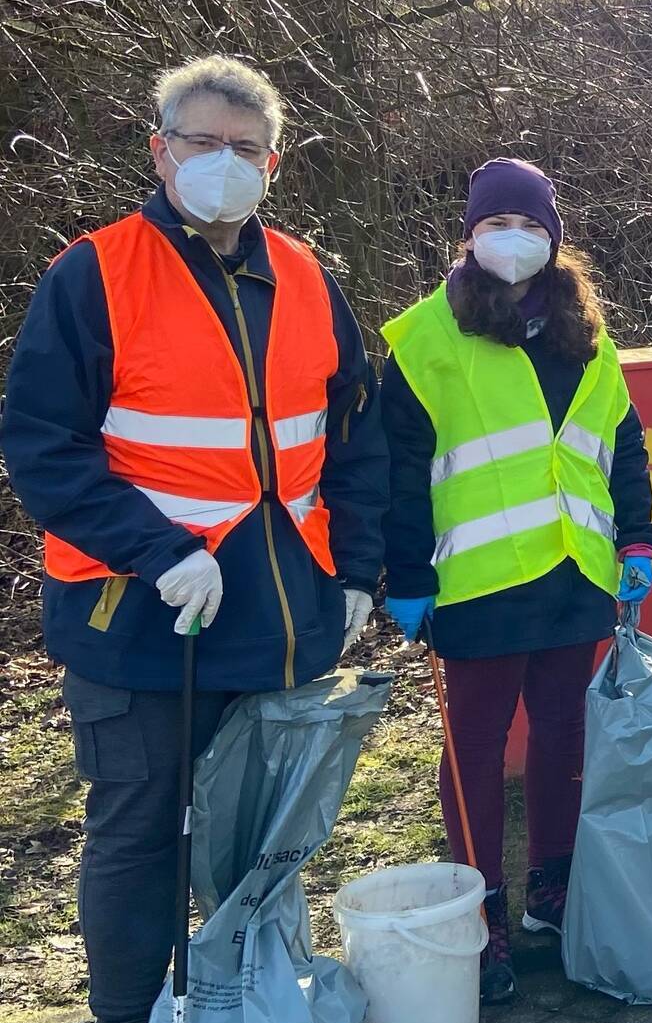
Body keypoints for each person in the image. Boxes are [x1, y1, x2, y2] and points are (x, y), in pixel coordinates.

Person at [0, 56, 387, 1023]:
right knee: (141, 837)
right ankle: (130, 1011)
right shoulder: (94, 273)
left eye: (246, 148)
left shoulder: (305, 277)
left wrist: (356, 571)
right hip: (139, 618)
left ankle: (243, 999)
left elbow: (355, 438)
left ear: (275, 166)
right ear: (159, 150)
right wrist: (155, 547)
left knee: (262, 839)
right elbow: (44, 447)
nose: (225, 162)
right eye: (204, 142)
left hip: (278, 616)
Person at [379, 158, 652, 1004]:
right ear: (469, 234)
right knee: (472, 753)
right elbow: (398, 469)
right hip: (476, 585)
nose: (516, 239)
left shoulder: (588, 334)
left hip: (574, 574)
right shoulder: (425, 339)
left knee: (564, 737)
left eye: (533, 226)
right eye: (499, 223)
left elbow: (624, 444)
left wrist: (636, 540)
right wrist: (404, 573)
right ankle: (481, 910)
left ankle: (553, 886)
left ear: (555, 239)